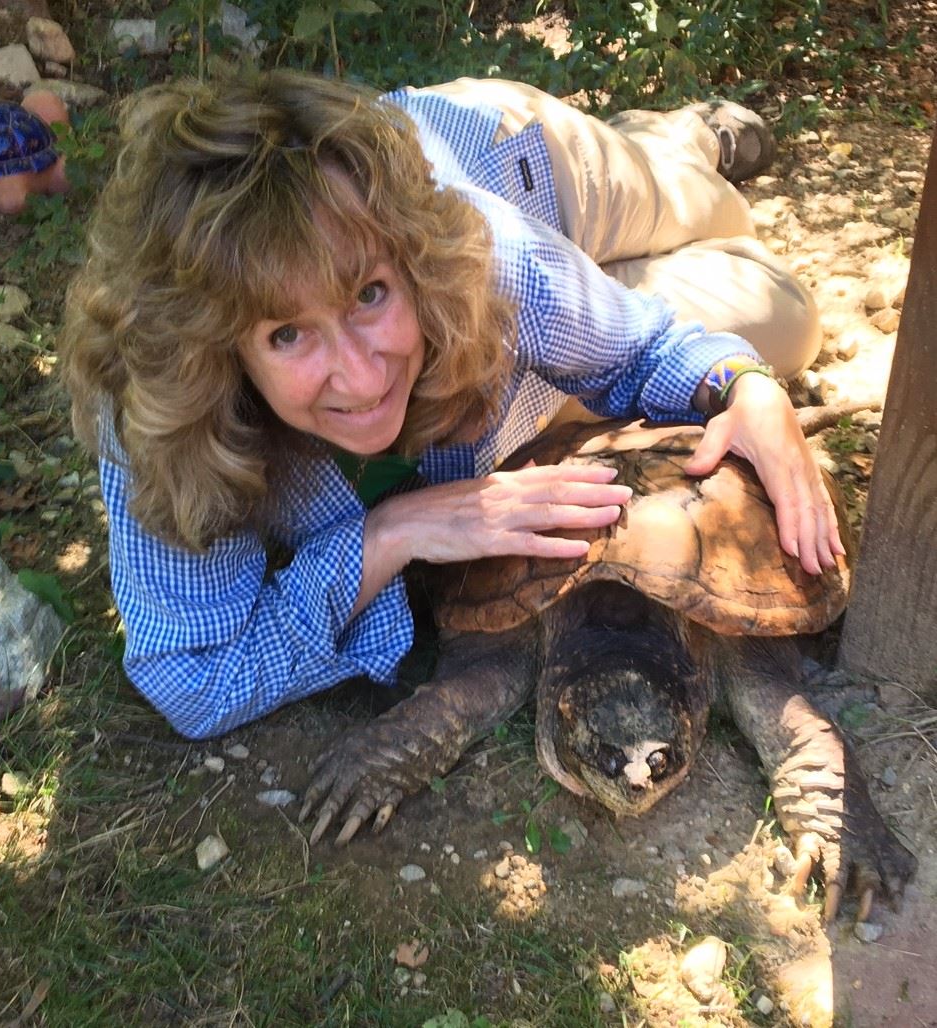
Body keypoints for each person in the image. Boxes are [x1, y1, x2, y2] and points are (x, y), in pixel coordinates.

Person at [60, 69, 842, 741]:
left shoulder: (488, 264)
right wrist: (391, 533)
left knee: (751, 272)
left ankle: (674, 139)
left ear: (412, 272)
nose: (362, 379)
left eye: (369, 294)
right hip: (532, 319)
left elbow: (647, 353)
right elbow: (195, 684)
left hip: (532, 172)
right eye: (289, 334)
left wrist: (744, 387)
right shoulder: (163, 412)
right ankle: (591, 300)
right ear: (214, 348)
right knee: (787, 316)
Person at [0, 91, 70, 214]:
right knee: (10, 199)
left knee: (11, 200)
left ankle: (65, 143)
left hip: (33, 146)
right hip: (32, 142)